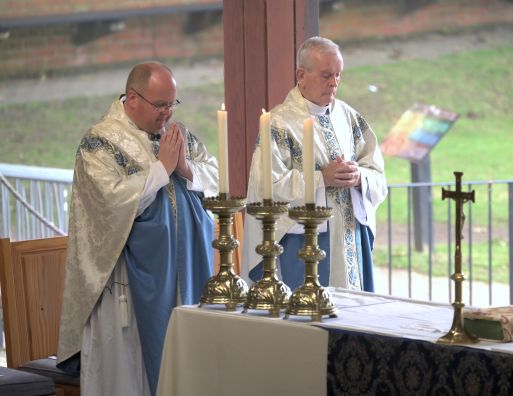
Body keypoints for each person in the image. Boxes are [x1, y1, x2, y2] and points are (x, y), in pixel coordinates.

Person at [57, 61, 219, 396]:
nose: (168, 114)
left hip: (181, 278)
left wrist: (187, 169)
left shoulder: (179, 135)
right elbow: (109, 204)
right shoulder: (99, 144)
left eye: (173, 104)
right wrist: (161, 170)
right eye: (161, 105)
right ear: (133, 98)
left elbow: (217, 175)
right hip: (126, 285)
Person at [241, 37, 387, 292]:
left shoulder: (349, 117)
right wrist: (322, 178)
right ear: (301, 75)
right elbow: (266, 187)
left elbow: (377, 173)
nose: (334, 83)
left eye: (338, 75)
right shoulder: (279, 123)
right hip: (303, 244)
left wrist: (358, 176)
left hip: (350, 238)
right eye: (326, 75)